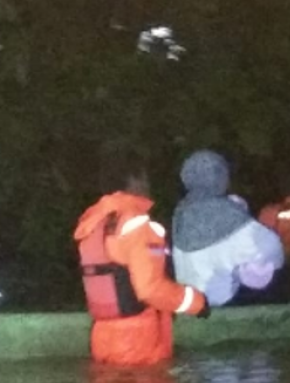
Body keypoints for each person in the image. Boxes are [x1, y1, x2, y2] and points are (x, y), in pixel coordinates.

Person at [73, 157, 209, 366]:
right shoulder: (137, 225)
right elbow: (149, 289)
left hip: (102, 338)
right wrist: (197, 302)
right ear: (133, 179)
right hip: (139, 341)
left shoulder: (93, 226)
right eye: (144, 178)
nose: (148, 185)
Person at [171, 150, 284, 307]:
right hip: (226, 308)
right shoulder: (230, 216)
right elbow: (271, 248)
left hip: (189, 307)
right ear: (223, 178)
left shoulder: (181, 215)